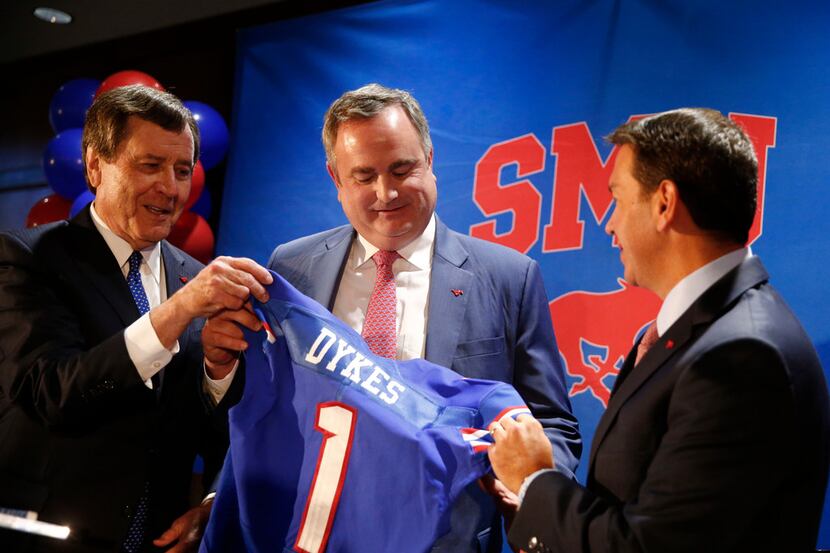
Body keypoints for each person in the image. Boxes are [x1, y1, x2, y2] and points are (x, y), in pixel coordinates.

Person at [205, 83, 581, 552]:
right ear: (335, 179)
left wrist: (525, 491)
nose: (386, 192)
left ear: (431, 158)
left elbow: (550, 421)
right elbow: (268, 406)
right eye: (364, 176)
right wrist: (220, 375)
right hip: (307, 534)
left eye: (402, 169)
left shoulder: (509, 277)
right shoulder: (291, 268)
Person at [488, 108, 830, 553]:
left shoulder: (741, 355)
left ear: (664, 203)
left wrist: (535, 483)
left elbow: (650, 545)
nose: (609, 223)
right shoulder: (703, 332)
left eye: (617, 198)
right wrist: (535, 506)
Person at [0, 85, 272, 553]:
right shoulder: (30, 257)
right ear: (94, 166)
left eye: (182, 170)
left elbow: (215, 430)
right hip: (47, 535)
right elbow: (52, 391)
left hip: (158, 539)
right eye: (150, 165)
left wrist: (218, 374)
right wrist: (178, 311)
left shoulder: (194, 276)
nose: (170, 188)